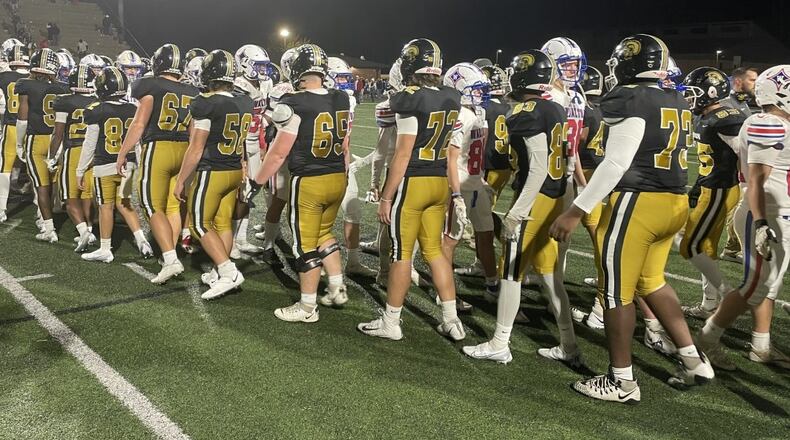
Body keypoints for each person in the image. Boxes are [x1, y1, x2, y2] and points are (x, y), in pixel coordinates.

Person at [549, 34, 715, 403]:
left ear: (627, 63)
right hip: (673, 203)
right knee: (652, 282)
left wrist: (577, 211)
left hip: (637, 203)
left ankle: (621, 381)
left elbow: (616, 162)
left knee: (614, 292)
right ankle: (693, 358)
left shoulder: (629, 97)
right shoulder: (676, 96)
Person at [463, 49, 579, 365]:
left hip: (535, 199)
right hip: (554, 198)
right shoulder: (555, 107)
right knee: (550, 275)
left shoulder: (527, 111)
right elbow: (565, 162)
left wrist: (517, 211)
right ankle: (569, 345)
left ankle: (500, 342)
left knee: (512, 272)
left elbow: (539, 166)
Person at [357, 38, 465, 341]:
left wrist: (386, 196)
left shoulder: (409, 98)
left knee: (401, 254)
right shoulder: (451, 96)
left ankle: (391, 322)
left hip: (414, 182)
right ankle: (452, 320)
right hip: (439, 181)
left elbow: (403, 153)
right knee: (434, 251)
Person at [696, 65, 790, 370]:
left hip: (776, 212)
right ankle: (707, 339)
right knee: (753, 288)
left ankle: (761, 346)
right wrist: (762, 222)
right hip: (765, 214)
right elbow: (757, 180)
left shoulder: (780, 123)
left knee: (768, 286)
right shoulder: (768, 123)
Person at [252, 44, 350, 322]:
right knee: (323, 233)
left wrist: (256, 183)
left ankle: (307, 308)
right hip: (336, 177)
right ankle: (337, 287)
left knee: (305, 245)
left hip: (309, 179)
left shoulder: (294, 103)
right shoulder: (340, 97)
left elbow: (279, 151)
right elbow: (344, 143)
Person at [173, 50, 252, 299]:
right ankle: (220, 272)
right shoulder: (245, 101)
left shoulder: (205, 102)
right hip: (234, 169)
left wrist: (181, 180)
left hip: (213, 171)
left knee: (198, 224)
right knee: (222, 224)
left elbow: (196, 147)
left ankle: (229, 272)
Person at [117, 43, 198, 284]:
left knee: (151, 205)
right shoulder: (192, 91)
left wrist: (123, 151)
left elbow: (139, 123)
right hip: (184, 150)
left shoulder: (149, 85)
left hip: (159, 148)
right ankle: (168, 255)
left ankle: (171, 259)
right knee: (174, 206)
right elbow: (195, 131)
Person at [678, 67, 747, 319]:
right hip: (710, 186)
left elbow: (745, 153)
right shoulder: (709, 115)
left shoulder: (726, 118)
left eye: (695, 93)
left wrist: (748, 184)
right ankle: (709, 305)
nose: (690, 98)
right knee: (705, 247)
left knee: (689, 244)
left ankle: (727, 294)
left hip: (719, 188)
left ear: (710, 92)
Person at [76, 66, 152, 263]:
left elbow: (90, 143)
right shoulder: (133, 109)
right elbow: (137, 143)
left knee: (105, 207)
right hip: (130, 165)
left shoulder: (96, 110)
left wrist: (80, 169)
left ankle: (105, 248)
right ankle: (142, 240)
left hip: (106, 165)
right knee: (124, 204)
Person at [441, 62, 499, 299]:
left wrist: (482, 179)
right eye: (476, 89)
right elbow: (451, 159)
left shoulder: (479, 113)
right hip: (461, 186)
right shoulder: (460, 115)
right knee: (450, 240)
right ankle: (444, 291)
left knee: (485, 234)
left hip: (475, 183)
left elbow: (476, 152)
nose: (482, 94)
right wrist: (455, 194)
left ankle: (492, 285)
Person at [15, 48, 67, 241]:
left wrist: (19, 144)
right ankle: (45, 217)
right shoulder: (63, 88)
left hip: (36, 139)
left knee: (40, 185)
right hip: (56, 140)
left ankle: (48, 228)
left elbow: (22, 118)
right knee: (52, 183)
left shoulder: (25, 85)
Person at [231, 43, 272, 258]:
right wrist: (241, 158)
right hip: (242, 144)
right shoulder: (238, 86)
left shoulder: (264, 85)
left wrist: (264, 146)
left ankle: (240, 238)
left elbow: (262, 117)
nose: (264, 70)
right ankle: (230, 242)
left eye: (265, 66)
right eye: (259, 65)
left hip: (256, 142)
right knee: (241, 193)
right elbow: (239, 123)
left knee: (249, 192)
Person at [50, 65, 97, 251]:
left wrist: (52, 156)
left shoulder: (64, 101)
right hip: (93, 152)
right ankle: (91, 229)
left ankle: (84, 232)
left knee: (69, 198)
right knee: (87, 194)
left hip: (74, 151)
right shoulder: (97, 101)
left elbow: (58, 133)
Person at [719, 66, 761, 263]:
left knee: (741, 205)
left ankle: (732, 246)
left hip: (740, 163)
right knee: (742, 205)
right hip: (729, 165)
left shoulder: (741, 102)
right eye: (752, 79)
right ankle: (735, 247)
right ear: (738, 81)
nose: (756, 83)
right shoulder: (727, 104)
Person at [0, 44, 28, 224]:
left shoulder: (4, 76)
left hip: (11, 126)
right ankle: (44, 216)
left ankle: (1, 209)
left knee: (5, 169)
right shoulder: (35, 78)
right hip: (32, 129)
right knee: (37, 172)